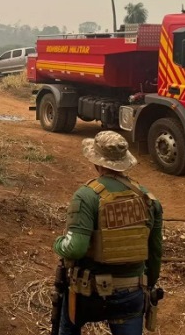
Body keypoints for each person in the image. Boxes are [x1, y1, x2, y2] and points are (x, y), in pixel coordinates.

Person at [53, 131, 163, 335]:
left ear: (97, 163)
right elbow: (155, 252)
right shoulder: (148, 199)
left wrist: (58, 244)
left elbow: (75, 248)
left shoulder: (86, 196)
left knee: (68, 327)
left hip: (88, 292)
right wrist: (148, 284)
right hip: (131, 292)